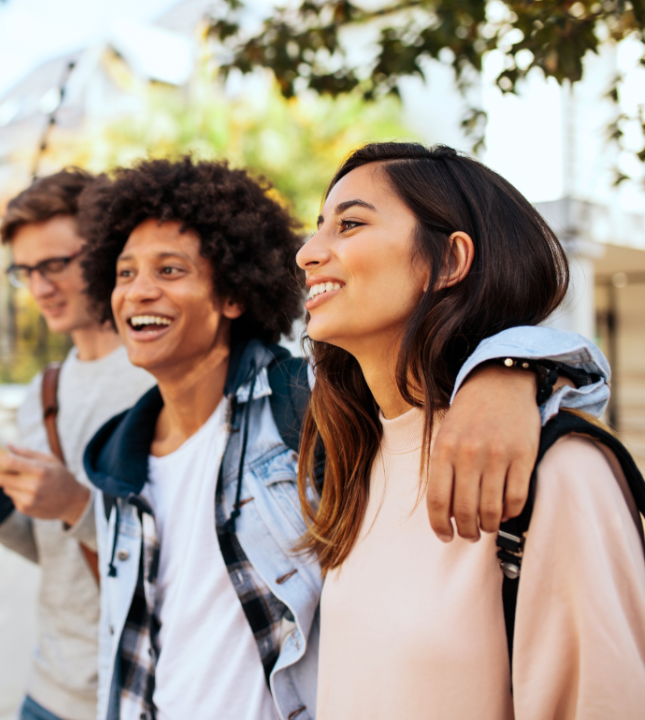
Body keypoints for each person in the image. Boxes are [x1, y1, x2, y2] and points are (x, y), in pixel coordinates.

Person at [76, 157, 612, 720]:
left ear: (233, 293)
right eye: (124, 273)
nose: (137, 292)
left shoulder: (302, 409)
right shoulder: (117, 459)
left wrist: (508, 369)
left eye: (169, 271)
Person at [296, 143, 645, 719]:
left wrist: (512, 367)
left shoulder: (556, 471)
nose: (308, 253)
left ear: (450, 260)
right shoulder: (348, 461)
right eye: (317, 229)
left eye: (350, 224)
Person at [0, 169, 156, 720]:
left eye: (56, 264)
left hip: (139, 690)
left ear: (105, 250)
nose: (40, 287)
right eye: (26, 271)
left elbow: (190, 555)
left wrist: (76, 505)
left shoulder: (160, 376)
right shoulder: (44, 391)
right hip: (49, 688)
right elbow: (49, 551)